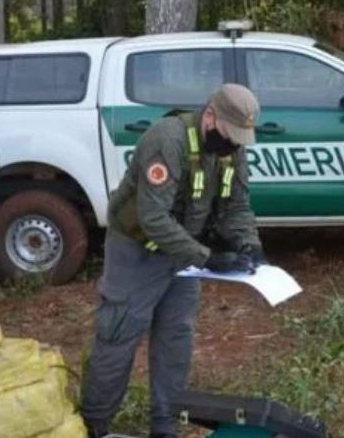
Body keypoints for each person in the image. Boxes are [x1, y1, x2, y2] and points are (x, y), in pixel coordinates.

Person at [80, 84, 266, 438]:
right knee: (119, 334)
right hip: (137, 251)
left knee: (175, 338)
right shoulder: (167, 141)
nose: (235, 145)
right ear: (210, 116)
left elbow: (238, 204)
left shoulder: (233, 148)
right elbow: (153, 219)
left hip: (183, 255)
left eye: (241, 138)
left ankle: (165, 427)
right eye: (230, 135)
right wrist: (208, 257)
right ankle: (92, 424)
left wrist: (249, 244)